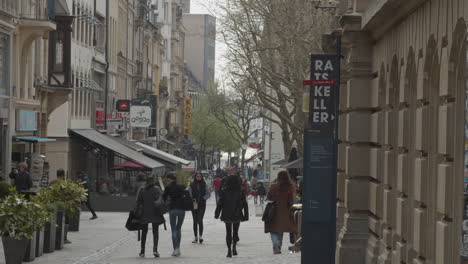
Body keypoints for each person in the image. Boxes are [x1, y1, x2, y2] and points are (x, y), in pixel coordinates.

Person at [215, 174, 249, 258]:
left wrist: (217, 213)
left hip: (226, 213)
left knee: (228, 232)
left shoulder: (224, 191)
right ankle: (234, 247)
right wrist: (246, 216)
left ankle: (229, 251)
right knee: (235, 232)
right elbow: (245, 204)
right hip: (237, 213)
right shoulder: (240, 191)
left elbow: (220, 203)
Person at [264, 170, 297, 254]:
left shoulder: (273, 186)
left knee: (273, 229)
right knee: (280, 230)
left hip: (274, 210)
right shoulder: (290, 187)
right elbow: (291, 201)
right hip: (285, 211)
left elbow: (269, 197)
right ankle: (279, 246)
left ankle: (276, 243)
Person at [136, 174, 165, 258]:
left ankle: (142, 251)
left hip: (144, 213)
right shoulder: (157, 189)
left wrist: (138, 212)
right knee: (155, 232)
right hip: (155, 212)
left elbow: (138, 201)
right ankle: (155, 250)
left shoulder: (142, 189)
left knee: (144, 232)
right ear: (153, 181)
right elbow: (162, 199)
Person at [162, 172, 186, 257]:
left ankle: (175, 249)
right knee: (178, 228)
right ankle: (178, 249)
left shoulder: (168, 187)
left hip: (172, 209)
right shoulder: (182, 186)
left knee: (174, 229)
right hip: (182, 209)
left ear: (169, 179)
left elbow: (163, 198)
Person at [188, 171, 211, 244]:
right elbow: (189, 193)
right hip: (194, 204)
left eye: (199, 176)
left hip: (202, 204)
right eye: (197, 176)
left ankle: (200, 236)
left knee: (200, 220)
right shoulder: (192, 185)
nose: (198, 178)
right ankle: (195, 237)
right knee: (195, 221)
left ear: (201, 177)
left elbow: (208, 193)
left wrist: (203, 198)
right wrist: (192, 199)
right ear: (195, 177)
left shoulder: (204, 184)